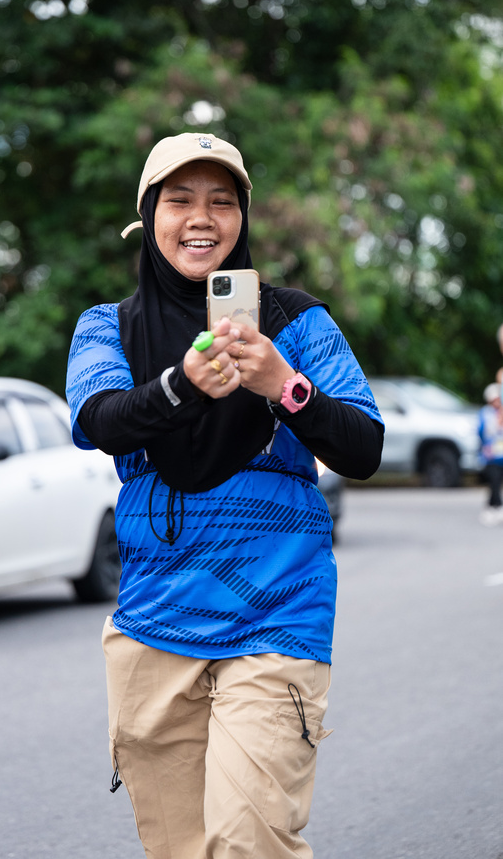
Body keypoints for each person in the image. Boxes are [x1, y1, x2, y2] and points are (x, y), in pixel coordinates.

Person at [66, 132, 384, 859]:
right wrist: (181, 386)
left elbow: (363, 445)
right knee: (180, 847)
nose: (201, 218)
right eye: (179, 200)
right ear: (149, 216)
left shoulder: (298, 323)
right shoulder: (107, 327)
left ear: (243, 216)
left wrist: (284, 386)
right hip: (154, 621)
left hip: (277, 616)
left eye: (222, 201)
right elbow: (98, 421)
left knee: (248, 842)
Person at [478, 383, 503, 526]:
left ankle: (492, 507)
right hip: (492, 456)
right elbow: (482, 433)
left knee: (497, 483)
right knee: (494, 482)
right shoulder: (486, 413)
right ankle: (495, 507)